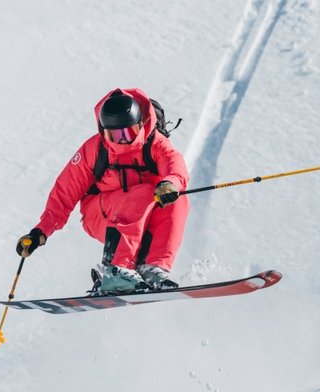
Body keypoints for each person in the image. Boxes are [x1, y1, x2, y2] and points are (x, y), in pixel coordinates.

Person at [15, 88, 190, 295]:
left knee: (178, 200)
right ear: (103, 131)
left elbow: (174, 164)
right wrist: (40, 232)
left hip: (142, 217)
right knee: (143, 193)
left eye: (129, 133)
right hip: (100, 216)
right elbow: (65, 192)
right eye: (114, 135)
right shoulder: (95, 150)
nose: (123, 140)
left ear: (140, 124)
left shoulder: (155, 143)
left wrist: (171, 184)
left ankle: (152, 267)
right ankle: (115, 269)